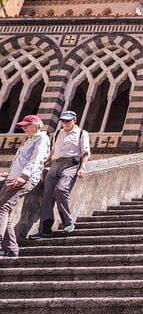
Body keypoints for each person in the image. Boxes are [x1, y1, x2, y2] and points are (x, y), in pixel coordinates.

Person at [33, 110, 90, 238]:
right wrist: (45, 161)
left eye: (67, 121)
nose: (65, 123)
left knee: (61, 189)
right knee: (47, 196)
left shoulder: (82, 133)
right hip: (55, 165)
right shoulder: (58, 133)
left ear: (74, 120)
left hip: (71, 164)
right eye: (63, 121)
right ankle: (45, 229)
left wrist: (82, 168)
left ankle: (68, 222)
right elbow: (54, 150)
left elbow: (85, 152)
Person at [0, 115, 50, 257]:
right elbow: (21, 160)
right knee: (4, 210)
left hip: (25, 179)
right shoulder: (30, 139)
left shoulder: (42, 138)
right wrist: (10, 174)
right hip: (13, 178)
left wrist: (23, 176)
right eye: (23, 127)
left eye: (27, 126)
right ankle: (11, 248)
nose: (24, 129)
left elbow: (36, 159)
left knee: (2, 208)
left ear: (36, 125)